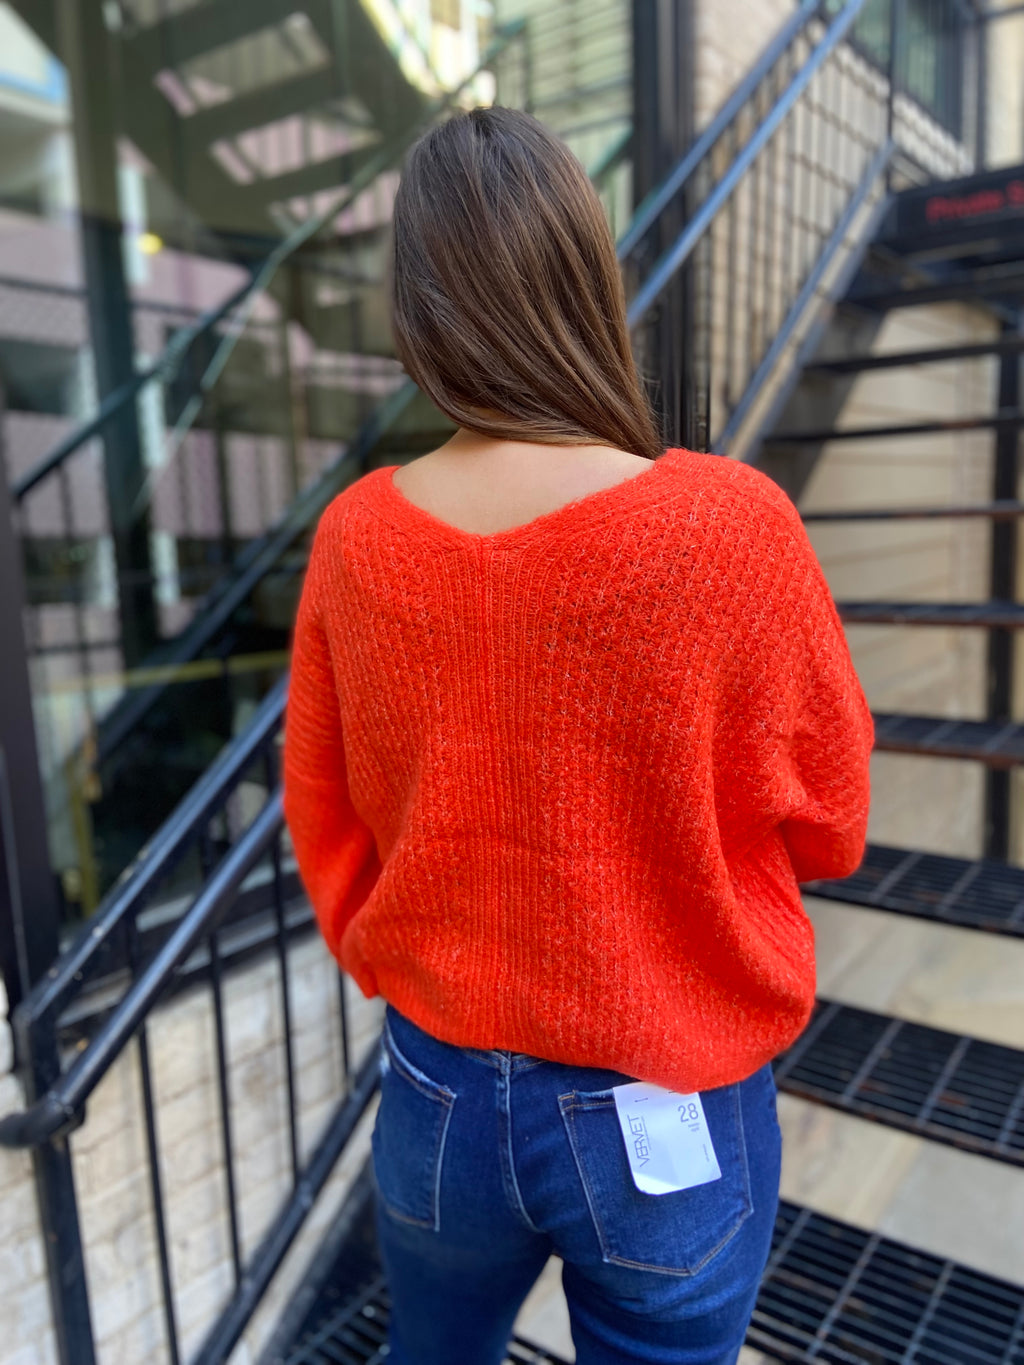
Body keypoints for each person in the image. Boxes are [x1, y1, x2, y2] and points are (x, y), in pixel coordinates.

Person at [282, 106, 874, 1365]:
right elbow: (831, 820)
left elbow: (324, 819)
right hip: (668, 1093)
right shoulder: (731, 528)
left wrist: (429, 960)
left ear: (419, 304)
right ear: (581, 276)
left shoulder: (354, 539)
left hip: (437, 1087)